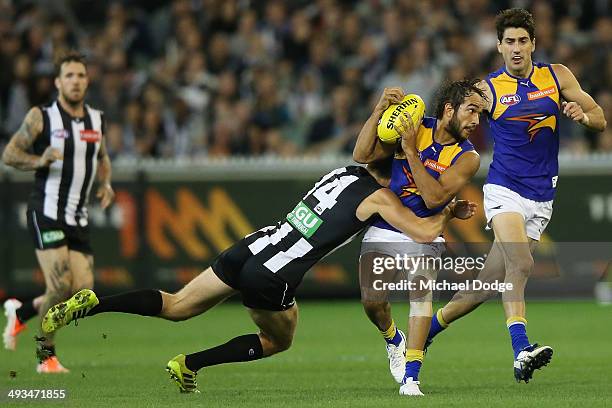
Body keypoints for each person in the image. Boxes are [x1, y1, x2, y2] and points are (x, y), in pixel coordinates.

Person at [42, 164, 476, 393]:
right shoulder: (380, 196)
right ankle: (189, 364)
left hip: (254, 244)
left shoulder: (343, 172)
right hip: (275, 272)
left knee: (175, 305)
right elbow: (424, 231)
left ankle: (96, 303)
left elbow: (367, 142)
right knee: (279, 341)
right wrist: (447, 211)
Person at [424, 8, 607, 384]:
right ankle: (521, 349)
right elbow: (450, 124)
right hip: (504, 190)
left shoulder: (557, 76)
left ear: (533, 44)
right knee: (520, 265)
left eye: (523, 41)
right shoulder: (487, 90)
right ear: (499, 46)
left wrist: (582, 116)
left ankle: (420, 336)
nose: (517, 48)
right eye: (510, 42)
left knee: (485, 286)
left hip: (542, 198)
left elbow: (600, 117)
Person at [352, 79, 487, 395]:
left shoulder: (467, 157)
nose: (476, 122)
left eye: (480, 114)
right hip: (388, 224)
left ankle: (411, 378)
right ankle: (392, 338)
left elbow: (432, 198)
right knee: (372, 302)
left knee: (420, 299)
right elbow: (361, 154)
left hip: (425, 232)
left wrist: (411, 151)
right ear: (449, 109)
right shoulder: (413, 124)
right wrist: (378, 112)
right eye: (471, 111)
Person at [1, 51, 115, 373]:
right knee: (60, 283)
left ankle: (21, 313)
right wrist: (38, 161)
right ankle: (45, 356)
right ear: (57, 82)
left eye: (80, 75)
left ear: (87, 81)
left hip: (78, 216)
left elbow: (102, 156)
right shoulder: (42, 117)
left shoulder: (97, 119)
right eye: (69, 76)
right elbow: (10, 154)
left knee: (81, 293)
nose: (75, 81)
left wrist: (106, 184)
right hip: (47, 210)